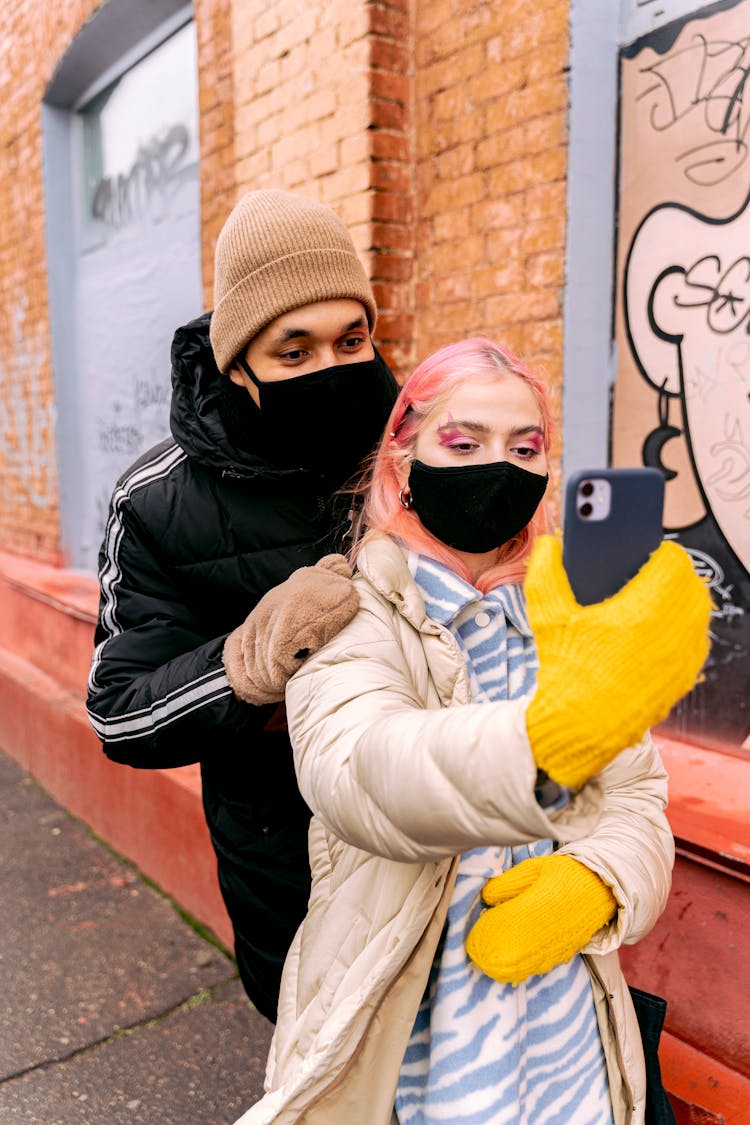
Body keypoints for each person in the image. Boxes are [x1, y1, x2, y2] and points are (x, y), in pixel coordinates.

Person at [234, 338, 712, 1124]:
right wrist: (543, 746)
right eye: (464, 443)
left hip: (570, 1037)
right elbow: (359, 773)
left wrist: (598, 881)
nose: (500, 466)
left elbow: (636, 797)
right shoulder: (351, 613)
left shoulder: (564, 615)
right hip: (414, 1042)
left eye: (525, 447)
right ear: (402, 460)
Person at [85, 189, 399, 1023]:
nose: (332, 368)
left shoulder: (422, 451)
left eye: (351, 339)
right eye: (293, 351)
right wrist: (246, 665)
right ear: (237, 366)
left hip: (434, 835)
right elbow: (119, 714)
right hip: (286, 863)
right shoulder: (155, 502)